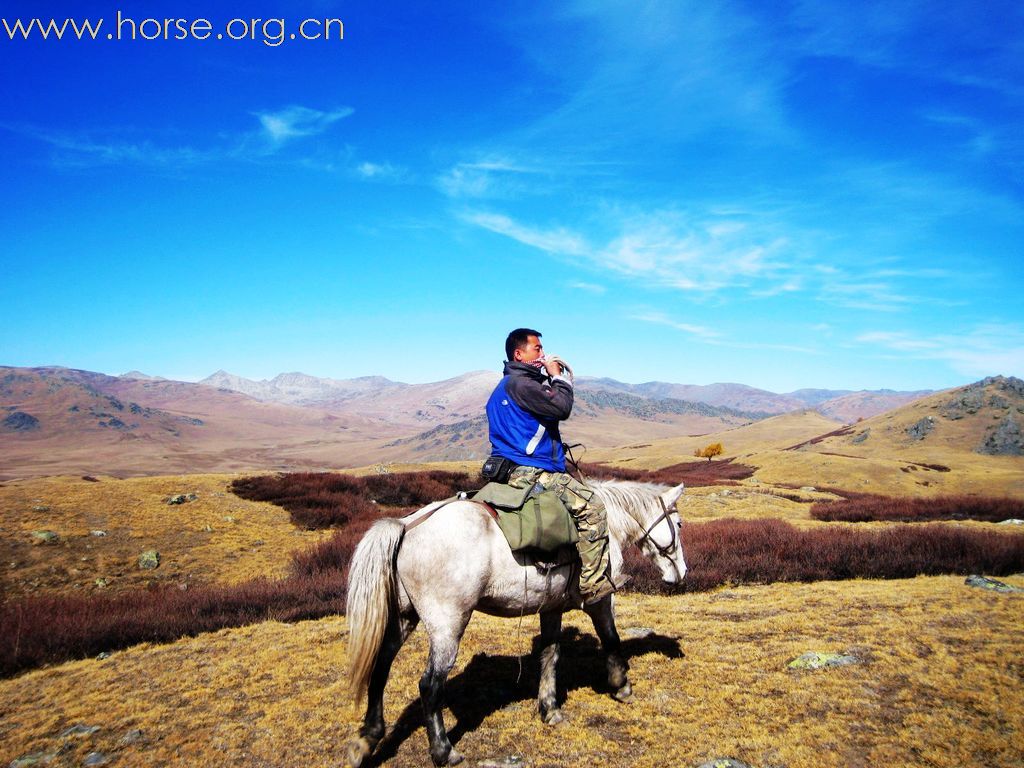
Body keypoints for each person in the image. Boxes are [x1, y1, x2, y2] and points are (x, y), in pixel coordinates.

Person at [484, 328, 616, 605]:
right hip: (533, 470)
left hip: (505, 469)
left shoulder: (501, 389)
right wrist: (557, 376)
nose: (542, 354)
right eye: (537, 349)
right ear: (519, 354)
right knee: (592, 507)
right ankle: (592, 586)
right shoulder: (523, 386)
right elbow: (561, 408)